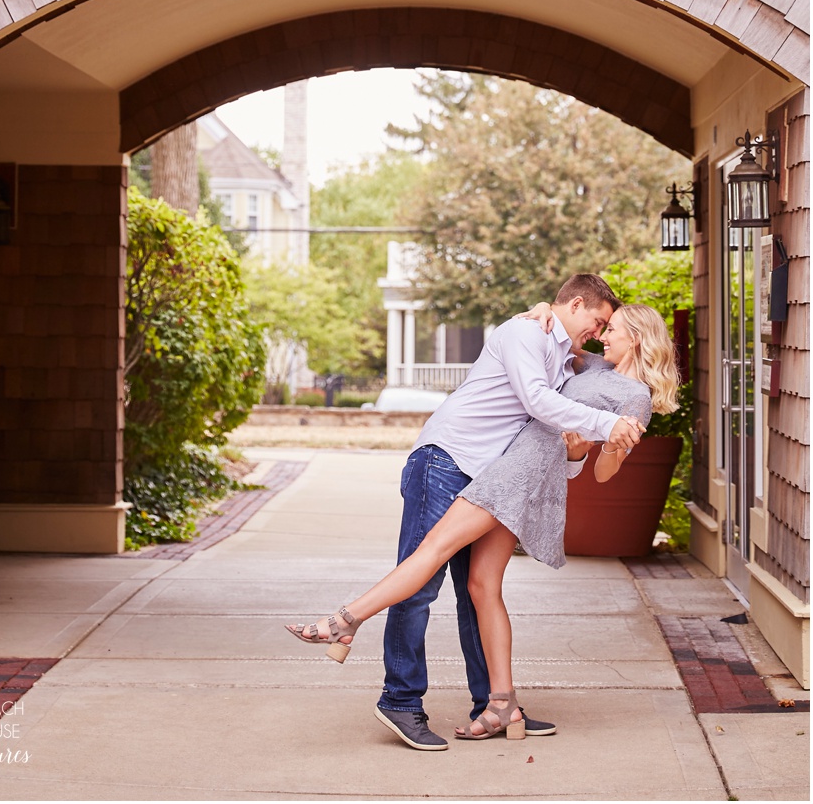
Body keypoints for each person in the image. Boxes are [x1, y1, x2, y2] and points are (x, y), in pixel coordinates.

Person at [287, 301, 678, 746]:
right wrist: (544, 307)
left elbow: (599, 469)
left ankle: (345, 620)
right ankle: (501, 703)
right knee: (481, 587)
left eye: (613, 330)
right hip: (509, 466)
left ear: (638, 339)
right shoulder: (591, 367)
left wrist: (601, 444)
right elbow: (557, 343)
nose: (602, 335)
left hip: (520, 476)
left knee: (433, 550)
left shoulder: (636, 399)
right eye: (603, 326)